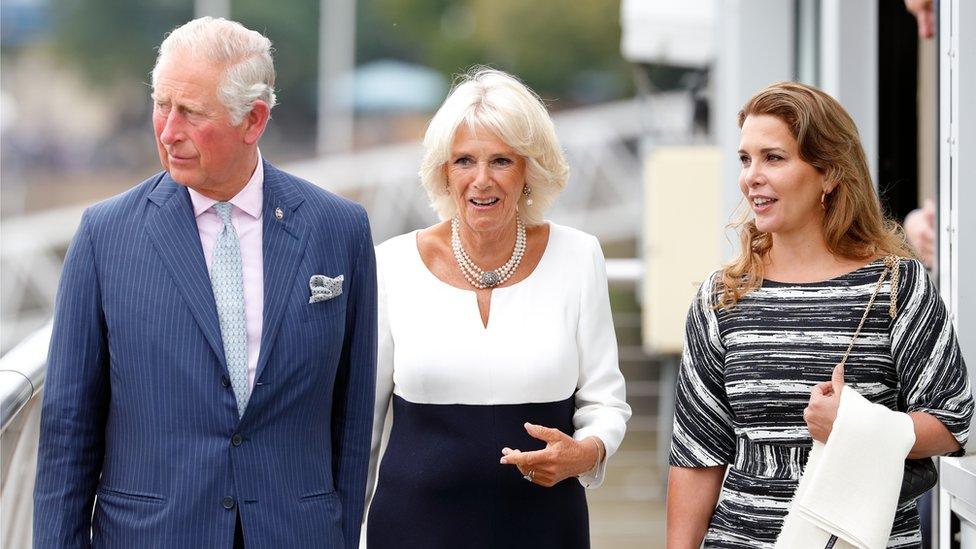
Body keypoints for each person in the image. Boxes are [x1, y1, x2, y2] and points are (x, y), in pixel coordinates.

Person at [33, 17, 376, 548]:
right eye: (161, 105)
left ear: (254, 120)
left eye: (190, 112)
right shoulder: (105, 236)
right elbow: (67, 430)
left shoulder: (339, 229)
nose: (168, 131)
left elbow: (351, 420)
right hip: (151, 535)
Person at [666, 81, 973, 548]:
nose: (752, 176)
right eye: (745, 159)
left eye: (773, 158)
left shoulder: (896, 285)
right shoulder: (722, 297)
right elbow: (696, 456)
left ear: (828, 173)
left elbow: (954, 422)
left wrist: (853, 427)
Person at [362, 68, 631, 548]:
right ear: (444, 171)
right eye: (464, 160)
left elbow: (605, 401)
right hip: (411, 531)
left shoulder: (579, 255)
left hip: (546, 528)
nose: (481, 180)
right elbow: (362, 428)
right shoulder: (391, 263)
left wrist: (586, 453)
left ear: (530, 169)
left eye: (501, 160)